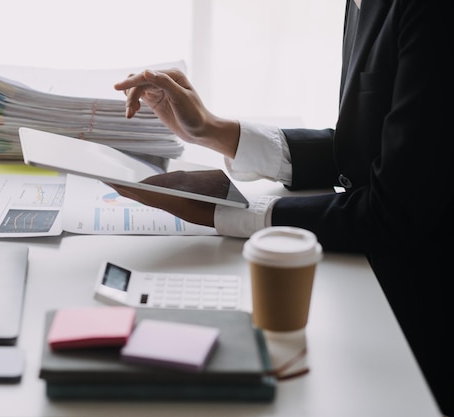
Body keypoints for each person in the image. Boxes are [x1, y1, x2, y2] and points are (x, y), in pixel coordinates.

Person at [112, 0, 452, 415]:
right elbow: (370, 150)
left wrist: (222, 211)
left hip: (421, 328)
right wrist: (212, 130)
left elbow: (394, 211)